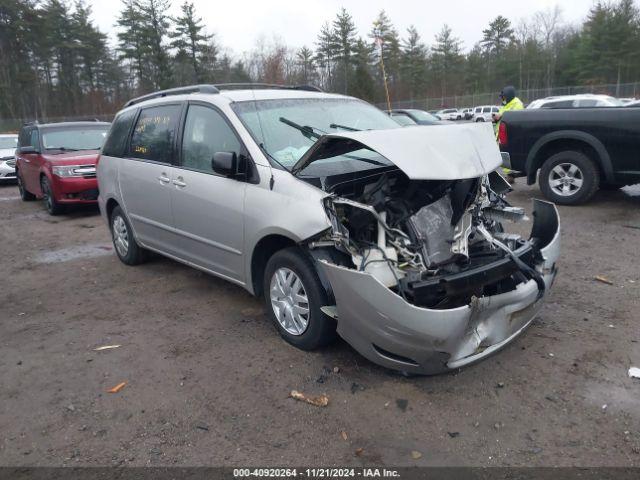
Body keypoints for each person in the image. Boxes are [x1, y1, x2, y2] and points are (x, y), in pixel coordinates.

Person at [493, 86, 524, 182]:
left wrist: (501, 115)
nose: (502, 99)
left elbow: (515, 116)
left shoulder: (517, 103)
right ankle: (509, 175)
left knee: (507, 155)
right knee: (503, 155)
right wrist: (496, 118)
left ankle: (510, 175)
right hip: (502, 134)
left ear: (508, 96)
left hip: (510, 134)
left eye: (504, 97)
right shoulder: (506, 105)